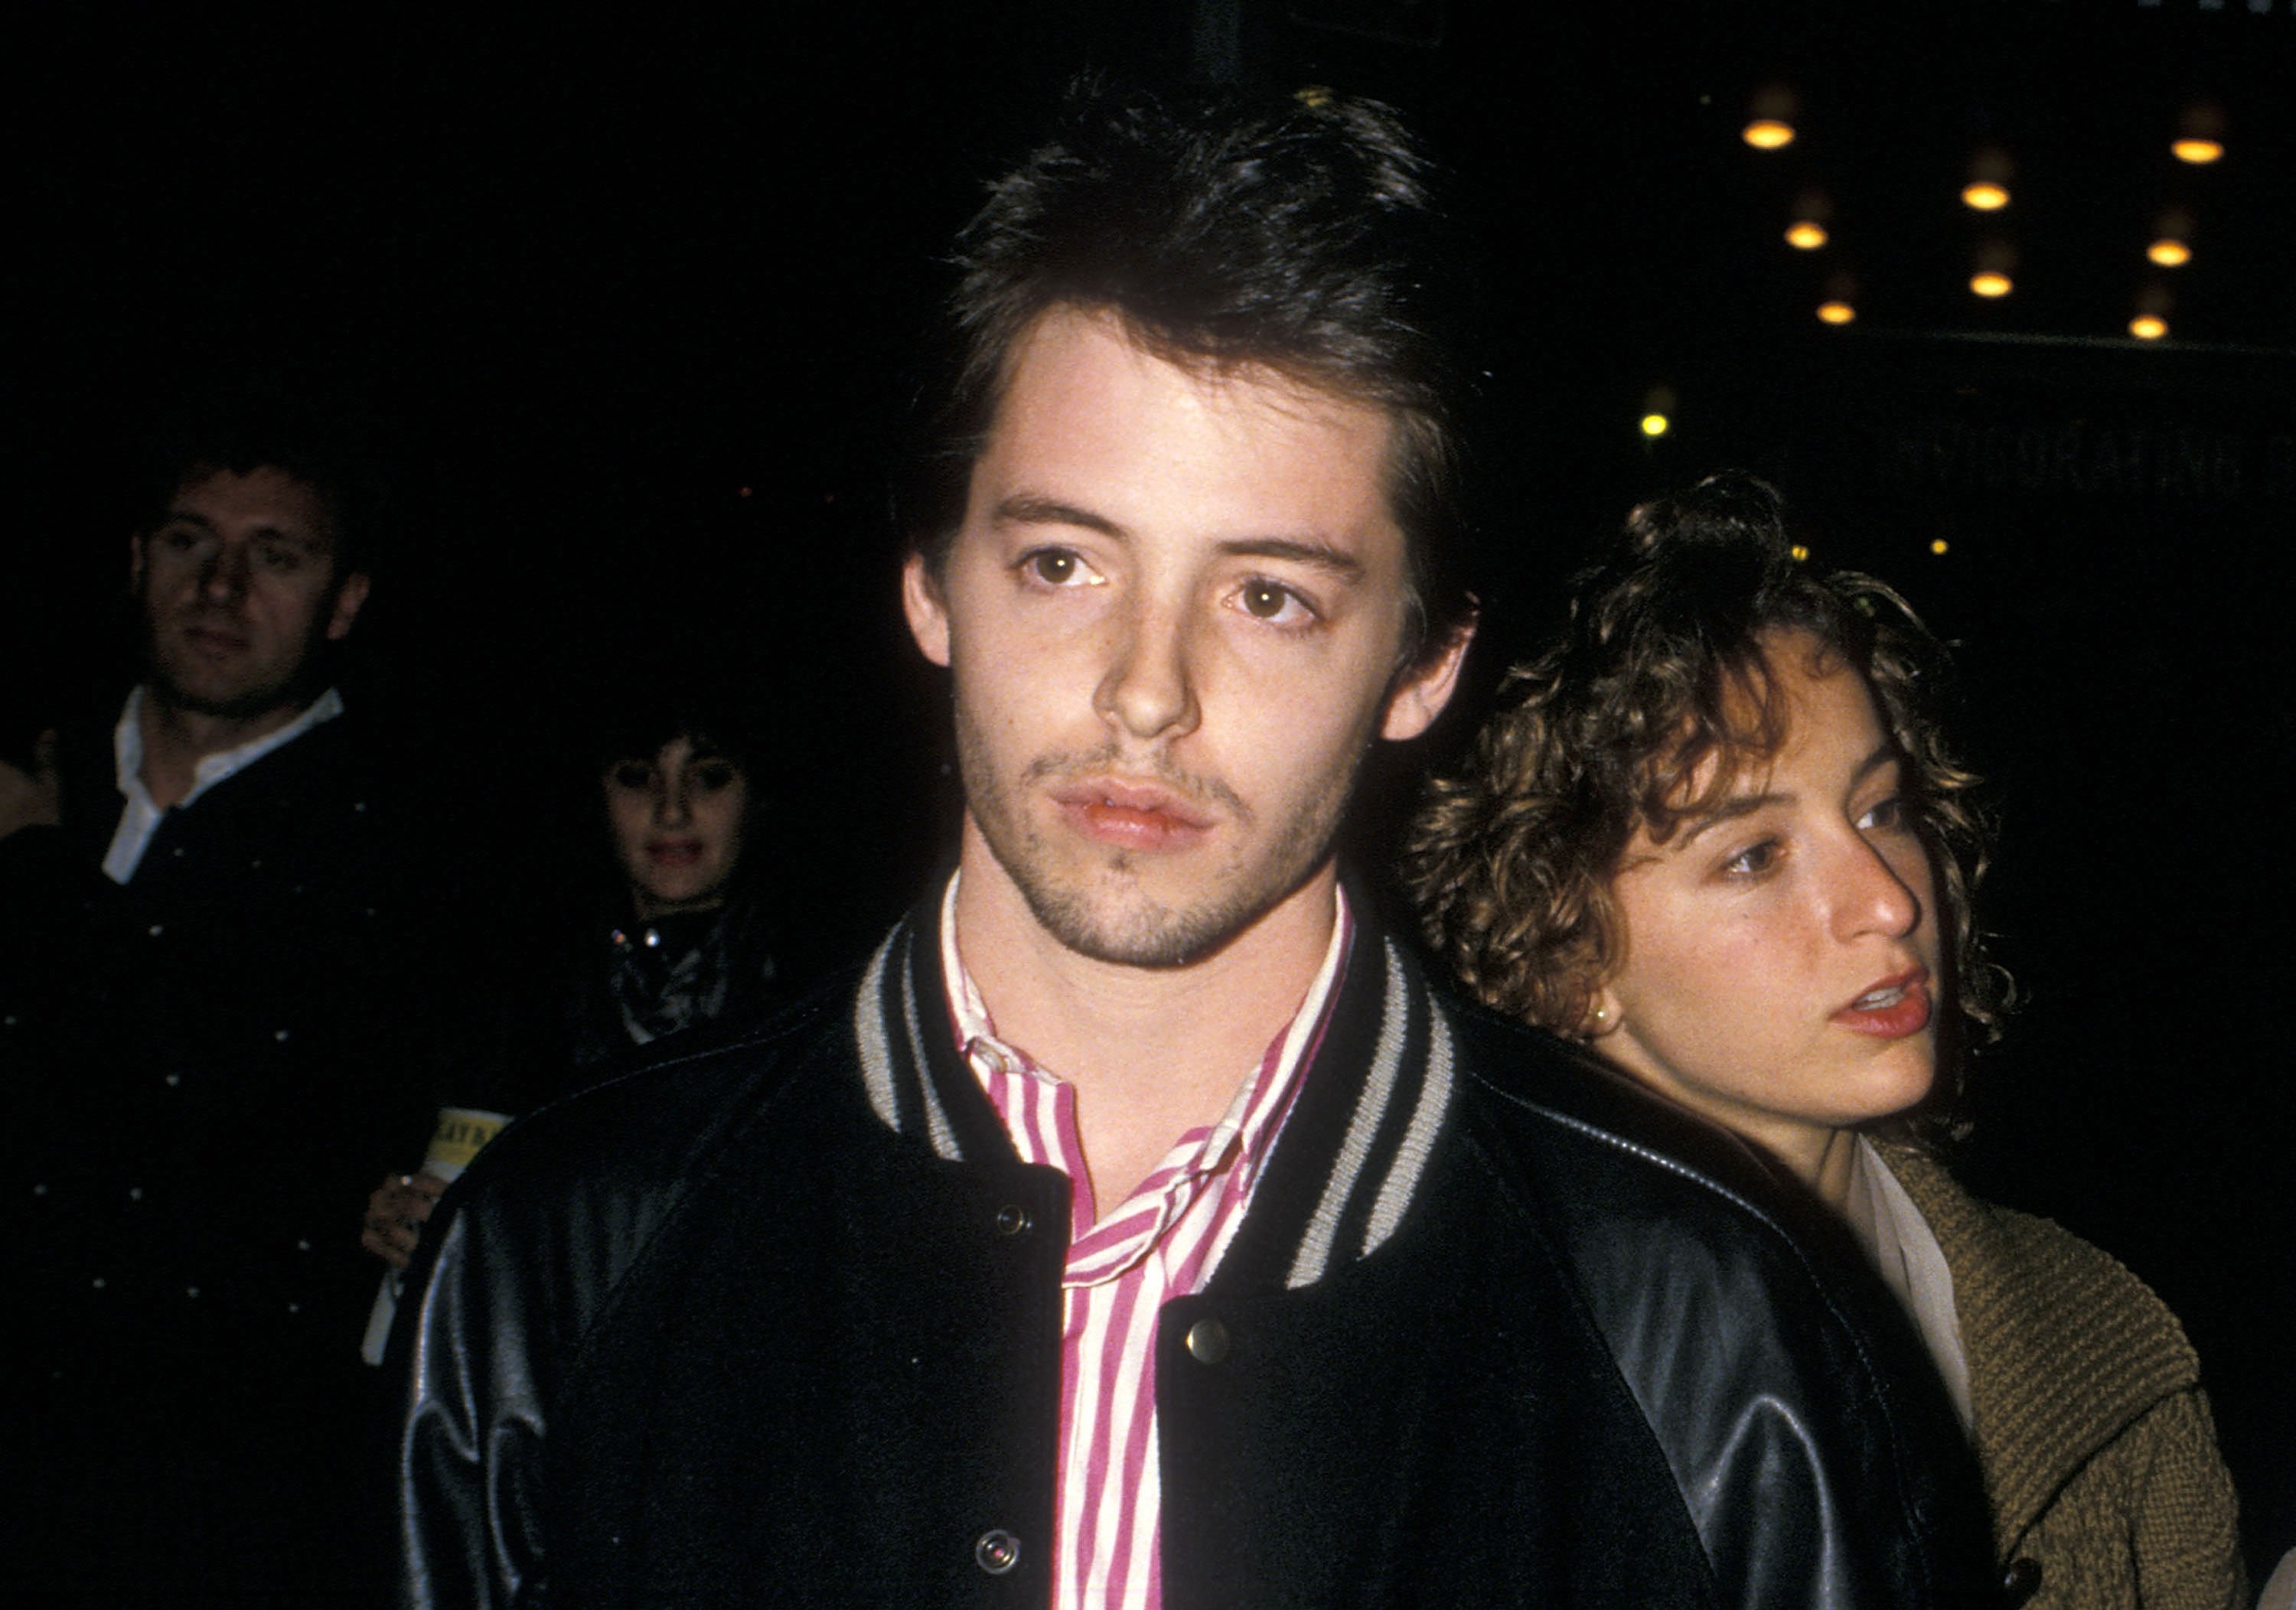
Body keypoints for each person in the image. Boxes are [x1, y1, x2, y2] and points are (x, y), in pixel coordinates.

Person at [396, 86, 1998, 1607]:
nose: (1146, 693)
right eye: (1063, 563)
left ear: (1426, 660)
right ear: (932, 580)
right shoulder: (565, 1258)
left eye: (1269, 595)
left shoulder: (1715, 1339)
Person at [1407, 472, 2245, 1608]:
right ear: (1565, 953)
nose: (1890, 902)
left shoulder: (2103, 1344)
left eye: (1882, 809)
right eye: (1753, 856)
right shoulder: (1460, 1390)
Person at [21, 402, 435, 1604]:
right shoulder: (44, 770)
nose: (221, 585)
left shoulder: (408, 851)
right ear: (136, 560)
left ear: (344, 601)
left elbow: (194, 1116)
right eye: (190, 541)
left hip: (228, 1514)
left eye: (276, 556)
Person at [361, 691, 788, 1275]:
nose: (672, 811)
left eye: (709, 778)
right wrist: (393, 1214)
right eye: (638, 778)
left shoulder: (817, 990)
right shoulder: (513, 981)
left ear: (759, 795)